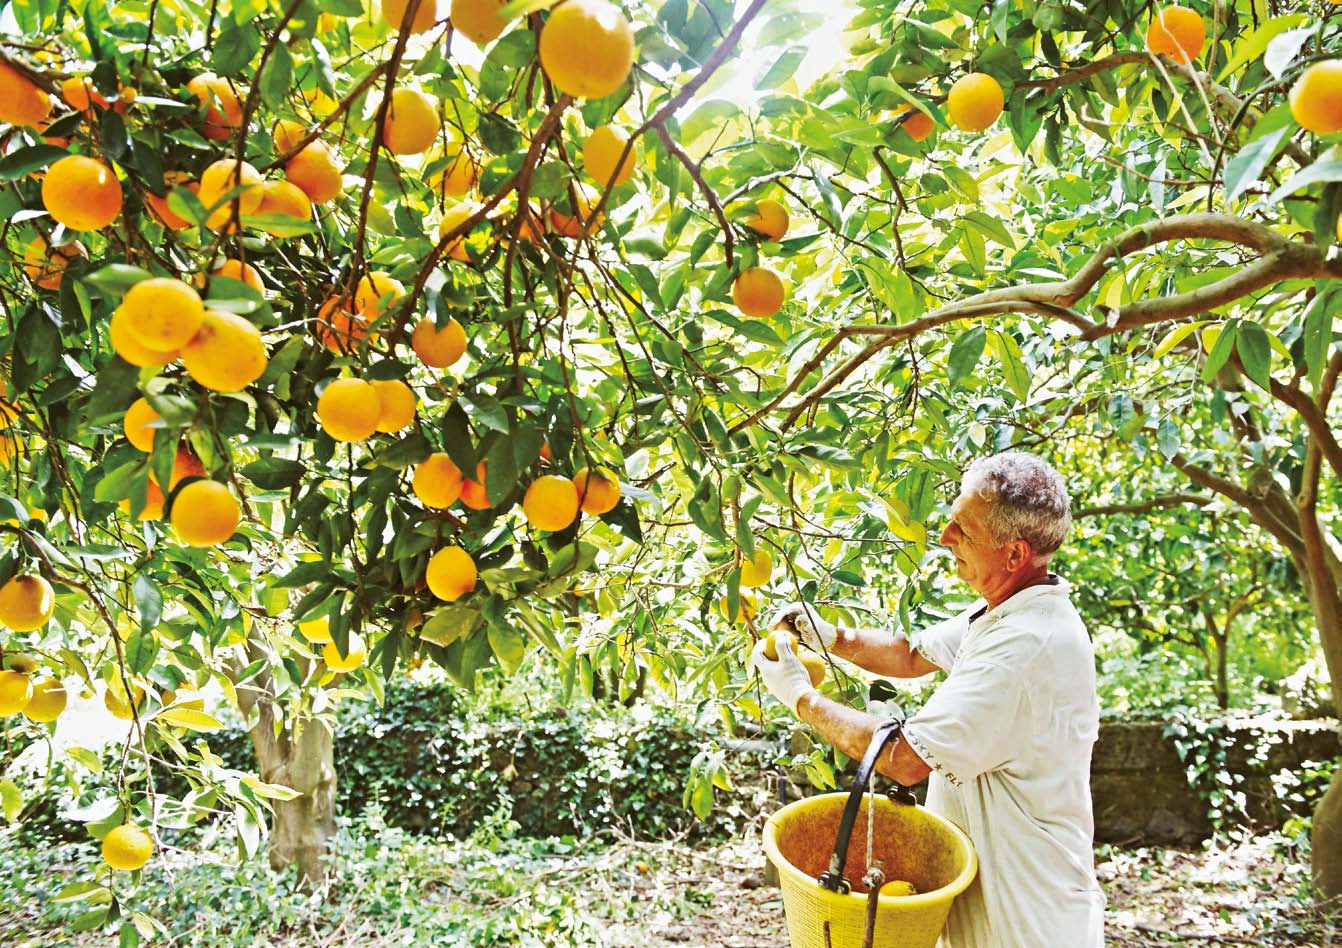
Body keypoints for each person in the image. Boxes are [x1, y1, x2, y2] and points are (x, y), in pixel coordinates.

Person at [752, 451, 1104, 948]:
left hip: (1026, 919)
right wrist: (831, 637)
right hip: (989, 900)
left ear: (1014, 554)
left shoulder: (1026, 646)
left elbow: (902, 758)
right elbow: (909, 655)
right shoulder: (1005, 611)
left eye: (964, 529)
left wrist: (799, 696)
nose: (944, 537)